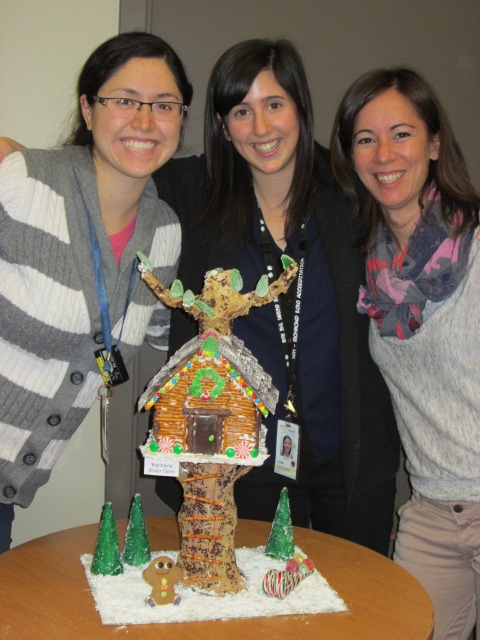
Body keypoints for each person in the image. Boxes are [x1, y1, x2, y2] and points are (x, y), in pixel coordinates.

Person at [0, 39, 400, 557]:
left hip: (349, 459)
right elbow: (112, 167)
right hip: (236, 461)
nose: (261, 128)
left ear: (300, 106)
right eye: (241, 110)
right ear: (219, 122)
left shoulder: (351, 193)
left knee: (355, 613)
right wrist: (17, 159)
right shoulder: (190, 193)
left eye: (275, 105)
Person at [0, 31, 193, 553]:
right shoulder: (21, 182)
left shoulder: (165, 232)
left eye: (164, 105)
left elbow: (146, 346)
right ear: (88, 110)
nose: (145, 120)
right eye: (124, 100)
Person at [330, 67, 480, 640]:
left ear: (435, 143)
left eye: (402, 133)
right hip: (429, 512)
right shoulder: (370, 268)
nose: (383, 154)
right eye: (365, 138)